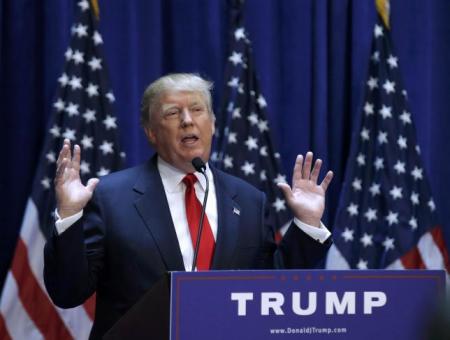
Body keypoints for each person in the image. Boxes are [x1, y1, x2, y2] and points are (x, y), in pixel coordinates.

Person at [44, 73, 334, 339]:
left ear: (212, 124)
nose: (187, 120)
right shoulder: (110, 197)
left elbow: (271, 290)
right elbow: (68, 292)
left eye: (197, 110)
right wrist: (69, 215)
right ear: (151, 133)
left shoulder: (248, 201)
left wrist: (307, 225)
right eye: (172, 112)